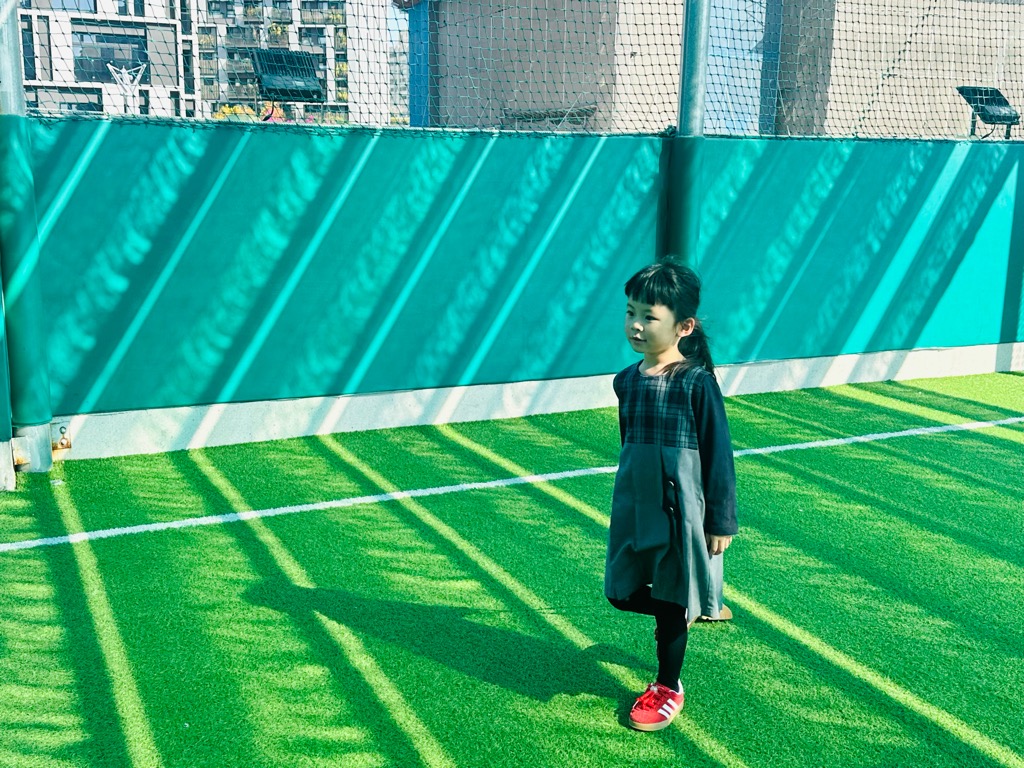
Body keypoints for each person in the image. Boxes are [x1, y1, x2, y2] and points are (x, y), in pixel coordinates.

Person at [605, 262, 738, 732]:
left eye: (649, 316)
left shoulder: (696, 383)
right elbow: (630, 445)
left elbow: (719, 454)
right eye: (630, 312)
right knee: (620, 592)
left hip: (682, 511)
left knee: (668, 600)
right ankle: (688, 605)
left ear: (684, 326)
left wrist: (720, 520)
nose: (636, 325)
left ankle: (667, 685)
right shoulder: (626, 381)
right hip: (635, 505)